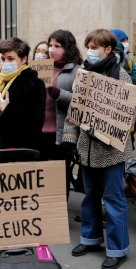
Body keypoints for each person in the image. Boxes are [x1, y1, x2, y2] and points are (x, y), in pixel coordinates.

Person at [62, 29, 133, 269]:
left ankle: (117, 249)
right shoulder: (84, 75)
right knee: (90, 195)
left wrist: (103, 128)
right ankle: (90, 239)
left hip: (111, 150)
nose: (90, 51)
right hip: (87, 149)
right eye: (88, 46)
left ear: (108, 50)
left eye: (95, 46)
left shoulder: (122, 76)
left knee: (113, 199)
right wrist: (70, 139)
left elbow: (127, 113)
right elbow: (75, 108)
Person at [0, 37, 46, 153]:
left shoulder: (34, 84)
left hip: (20, 149)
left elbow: (36, 123)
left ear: (24, 59)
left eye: (11, 59)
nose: (6, 63)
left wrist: (7, 110)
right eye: (3, 59)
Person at [40, 30, 82, 198]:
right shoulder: (41, 68)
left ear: (68, 48)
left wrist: (59, 94)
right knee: (40, 175)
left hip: (61, 133)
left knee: (59, 176)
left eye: (57, 46)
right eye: (50, 45)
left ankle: (59, 217)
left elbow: (81, 102)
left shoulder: (77, 71)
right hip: (40, 131)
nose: (52, 49)